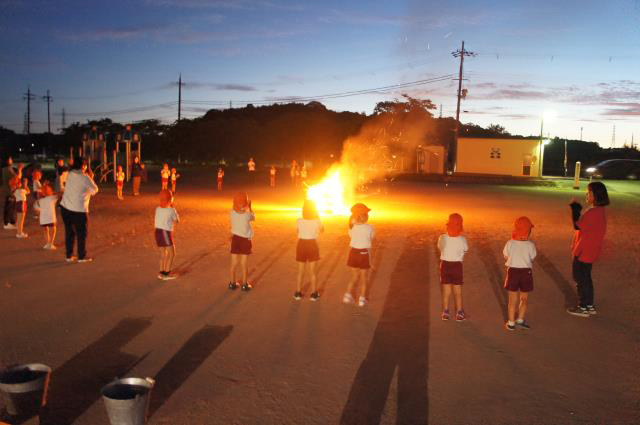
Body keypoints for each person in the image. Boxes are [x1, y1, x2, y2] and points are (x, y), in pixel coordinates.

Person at [567, 182, 609, 317]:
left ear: (596, 195)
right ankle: (589, 305)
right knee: (586, 278)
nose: (587, 194)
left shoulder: (593, 212)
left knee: (580, 278)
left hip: (584, 251)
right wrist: (579, 210)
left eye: (589, 192)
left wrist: (575, 209)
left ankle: (583, 306)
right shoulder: (599, 211)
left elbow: (577, 225)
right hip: (590, 251)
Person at [60, 158, 99, 263]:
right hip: (79, 210)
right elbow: (95, 189)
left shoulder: (70, 174)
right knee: (81, 234)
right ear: (83, 166)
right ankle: (81, 256)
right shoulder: (85, 177)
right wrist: (91, 178)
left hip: (65, 207)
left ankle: (69, 255)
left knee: (69, 232)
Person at [503, 216, 537, 331]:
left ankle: (511, 323)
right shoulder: (530, 245)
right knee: (524, 299)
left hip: (513, 272)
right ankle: (520, 320)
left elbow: (506, 255)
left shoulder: (510, 243)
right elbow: (532, 258)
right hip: (525, 272)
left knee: (512, 300)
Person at [437, 213, 469, 321]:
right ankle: (459, 313)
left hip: (445, 265)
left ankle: (445, 312)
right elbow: (465, 249)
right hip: (457, 266)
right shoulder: (462, 239)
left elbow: (440, 248)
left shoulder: (442, 237)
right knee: (457, 291)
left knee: (446, 291)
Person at [343, 203, 374, 307]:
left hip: (353, 253)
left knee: (354, 276)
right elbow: (371, 239)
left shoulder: (352, 228)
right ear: (365, 216)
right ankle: (362, 300)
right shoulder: (370, 227)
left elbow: (351, 236)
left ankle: (347, 296)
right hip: (363, 253)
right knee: (364, 278)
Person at [294, 200, 324, 301]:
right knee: (313, 271)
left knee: (300, 271)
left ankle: (298, 293)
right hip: (312, 244)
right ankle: (314, 294)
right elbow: (322, 230)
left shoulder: (299, 220)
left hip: (301, 244)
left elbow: (297, 231)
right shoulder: (316, 221)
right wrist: (318, 217)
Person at [229, 192, 255, 291]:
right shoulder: (247, 215)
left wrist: (242, 208)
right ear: (245, 203)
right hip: (245, 240)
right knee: (244, 264)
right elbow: (253, 217)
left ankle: (232, 283)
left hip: (235, 239)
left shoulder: (231, 213)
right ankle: (244, 284)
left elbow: (236, 211)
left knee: (234, 263)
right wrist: (249, 208)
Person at [155, 189, 179, 281]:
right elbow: (177, 220)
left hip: (157, 232)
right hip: (165, 232)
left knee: (163, 253)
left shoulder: (158, 209)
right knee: (172, 253)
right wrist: (173, 208)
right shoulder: (171, 210)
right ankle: (166, 273)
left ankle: (161, 272)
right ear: (170, 200)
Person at [34, 183, 58, 249]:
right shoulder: (52, 198)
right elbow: (58, 195)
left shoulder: (39, 201)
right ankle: (51, 243)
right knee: (53, 230)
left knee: (45, 230)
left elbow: (37, 209)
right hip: (51, 217)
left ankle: (47, 243)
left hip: (43, 218)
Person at [2, 157, 22, 230]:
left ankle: (10, 222)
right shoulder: (7, 169)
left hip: (10, 191)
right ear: (7, 161)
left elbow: (17, 178)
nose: (12, 160)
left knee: (11, 207)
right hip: (10, 191)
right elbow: (17, 178)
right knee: (9, 207)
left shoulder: (7, 169)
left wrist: (19, 171)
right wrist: (19, 170)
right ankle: (7, 223)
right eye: (10, 159)